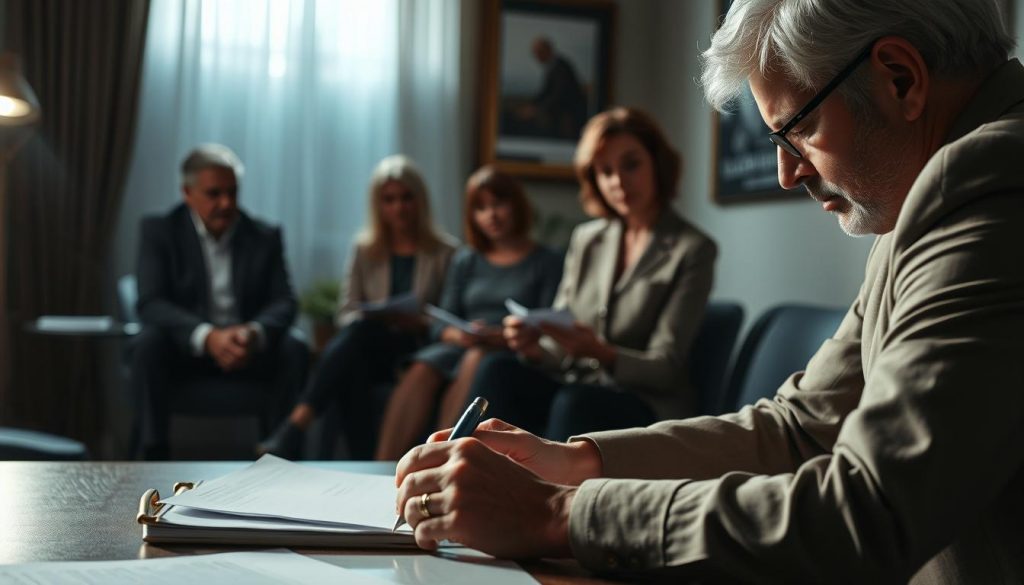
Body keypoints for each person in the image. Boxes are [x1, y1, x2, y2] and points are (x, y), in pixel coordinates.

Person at [392, 0, 1024, 582]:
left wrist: (555, 512)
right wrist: (571, 461)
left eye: (795, 129)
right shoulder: (931, 195)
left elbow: (869, 511)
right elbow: (800, 428)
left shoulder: (984, 184)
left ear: (900, 78)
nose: (786, 172)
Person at [466, 107, 717, 440]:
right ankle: (457, 475)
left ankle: (543, 493)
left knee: (575, 402)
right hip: (577, 387)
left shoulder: (693, 248)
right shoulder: (588, 239)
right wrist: (534, 349)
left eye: (631, 164)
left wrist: (602, 353)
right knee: (497, 369)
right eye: (605, 171)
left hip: (644, 402)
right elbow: (557, 341)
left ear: (657, 163)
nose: (618, 181)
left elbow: (667, 369)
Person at [258, 155, 458, 460]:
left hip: (420, 346)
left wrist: (416, 322)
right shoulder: (365, 249)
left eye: (406, 198)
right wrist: (378, 313)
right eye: (389, 200)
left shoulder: (446, 252)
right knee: (357, 346)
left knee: (356, 343)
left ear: (420, 200)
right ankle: (363, 461)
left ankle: (297, 425)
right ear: (378, 205)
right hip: (373, 344)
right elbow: (346, 312)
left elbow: (449, 317)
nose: (399, 207)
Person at [374, 166, 563, 460]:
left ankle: (438, 460)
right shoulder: (466, 260)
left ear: (517, 205)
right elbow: (439, 322)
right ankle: (381, 465)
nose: (492, 215)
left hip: (510, 352)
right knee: (424, 365)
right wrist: (457, 333)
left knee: (477, 358)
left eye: (499, 204)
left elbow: (547, 327)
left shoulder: (546, 261)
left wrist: (498, 335)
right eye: (481, 207)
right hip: (463, 344)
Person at [133, 144, 307, 461]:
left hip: (248, 351)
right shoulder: (160, 231)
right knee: (148, 344)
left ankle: (283, 458)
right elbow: (150, 303)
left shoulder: (264, 235)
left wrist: (253, 333)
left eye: (232, 193)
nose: (225, 203)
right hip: (186, 352)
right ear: (187, 192)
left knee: (294, 348)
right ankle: (151, 456)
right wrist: (207, 337)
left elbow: (285, 302)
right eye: (214, 194)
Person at [516, 37, 589, 140]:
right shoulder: (554, 66)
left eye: (538, 52)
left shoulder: (560, 67)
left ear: (547, 50)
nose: (536, 57)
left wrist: (536, 109)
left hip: (568, 115)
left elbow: (559, 94)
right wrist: (531, 105)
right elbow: (546, 92)